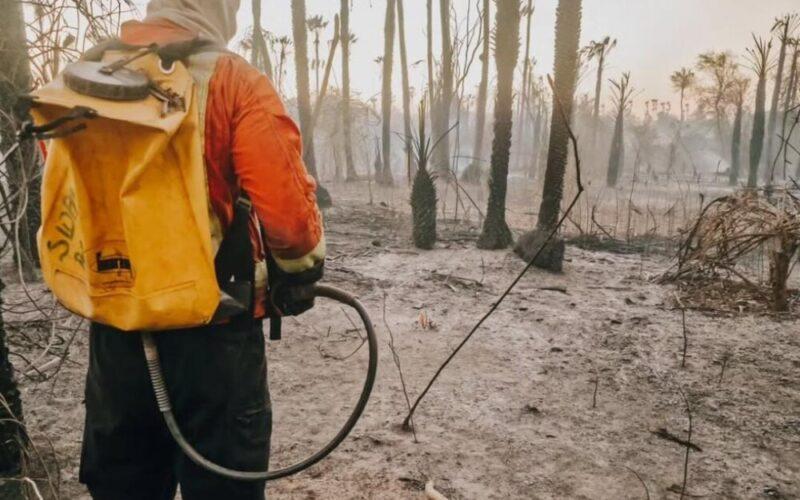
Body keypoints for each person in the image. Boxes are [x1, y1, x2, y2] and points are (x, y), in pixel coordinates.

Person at [78, 1, 325, 499]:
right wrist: (300, 274)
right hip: (213, 336)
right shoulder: (232, 81)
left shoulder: (85, 75)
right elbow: (291, 222)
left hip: (117, 334)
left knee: (124, 485)